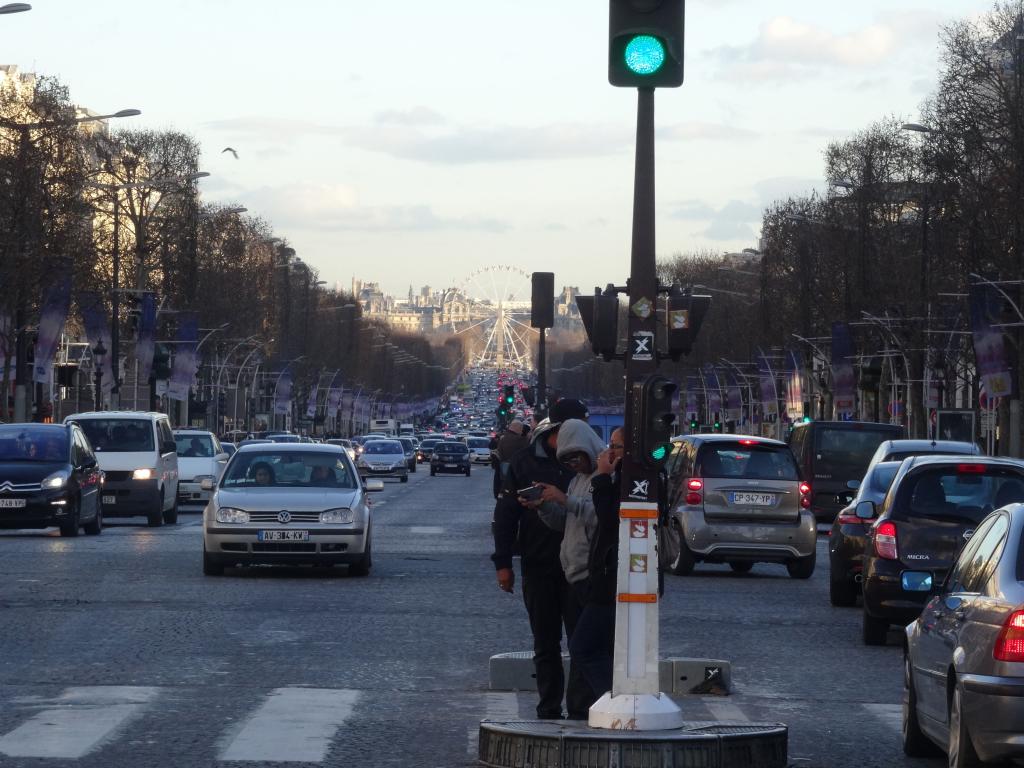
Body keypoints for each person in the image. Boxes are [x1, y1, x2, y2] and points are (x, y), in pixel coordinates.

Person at [491, 397, 590, 720]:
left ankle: (579, 706)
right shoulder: (524, 462)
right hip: (539, 562)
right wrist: (503, 563)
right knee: (545, 642)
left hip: (579, 566)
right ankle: (549, 706)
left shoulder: (588, 462)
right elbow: (506, 514)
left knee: (581, 642)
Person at [530, 418, 607, 713]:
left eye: (576, 456)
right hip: (573, 575)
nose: (573, 464)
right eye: (567, 460)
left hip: (592, 576)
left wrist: (565, 499)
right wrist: (545, 507)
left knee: (583, 649)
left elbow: (602, 519)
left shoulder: (604, 478)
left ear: (588, 447)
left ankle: (589, 706)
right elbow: (566, 523)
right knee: (581, 647)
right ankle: (582, 707)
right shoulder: (577, 481)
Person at [574, 426, 624, 700]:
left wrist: (602, 477)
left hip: (612, 576)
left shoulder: (623, 478)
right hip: (610, 574)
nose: (609, 451)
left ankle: (612, 699)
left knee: (583, 646)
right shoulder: (627, 476)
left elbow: (609, 518)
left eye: (615, 445)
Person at [493, 420, 529, 499]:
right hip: (516, 471)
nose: (521, 431)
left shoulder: (503, 438)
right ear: (518, 429)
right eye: (521, 429)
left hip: (503, 470)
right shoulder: (521, 440)